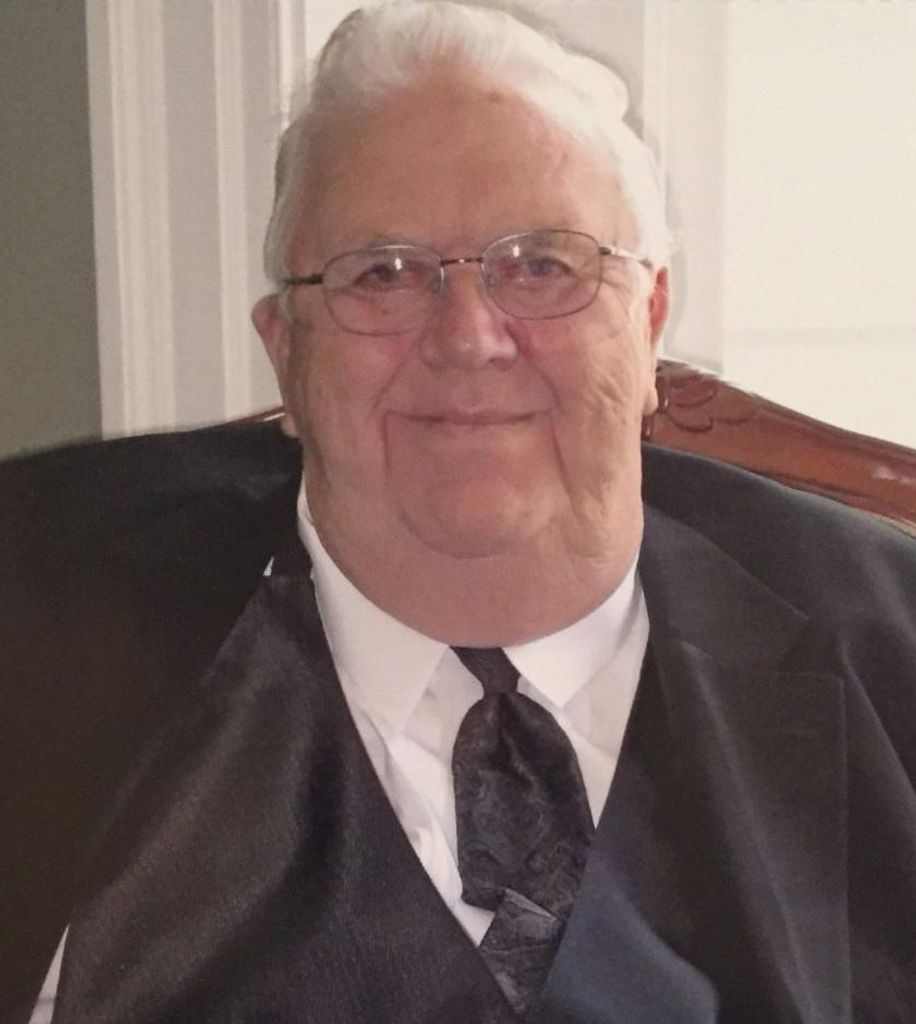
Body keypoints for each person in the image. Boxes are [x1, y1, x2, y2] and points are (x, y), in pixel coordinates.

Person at [3, 2, 915, 1022]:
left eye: (544, 265)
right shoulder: (42, 653)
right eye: (383, 273)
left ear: (649, 320)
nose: (470, 335)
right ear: (286, 352)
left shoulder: (888, 650)